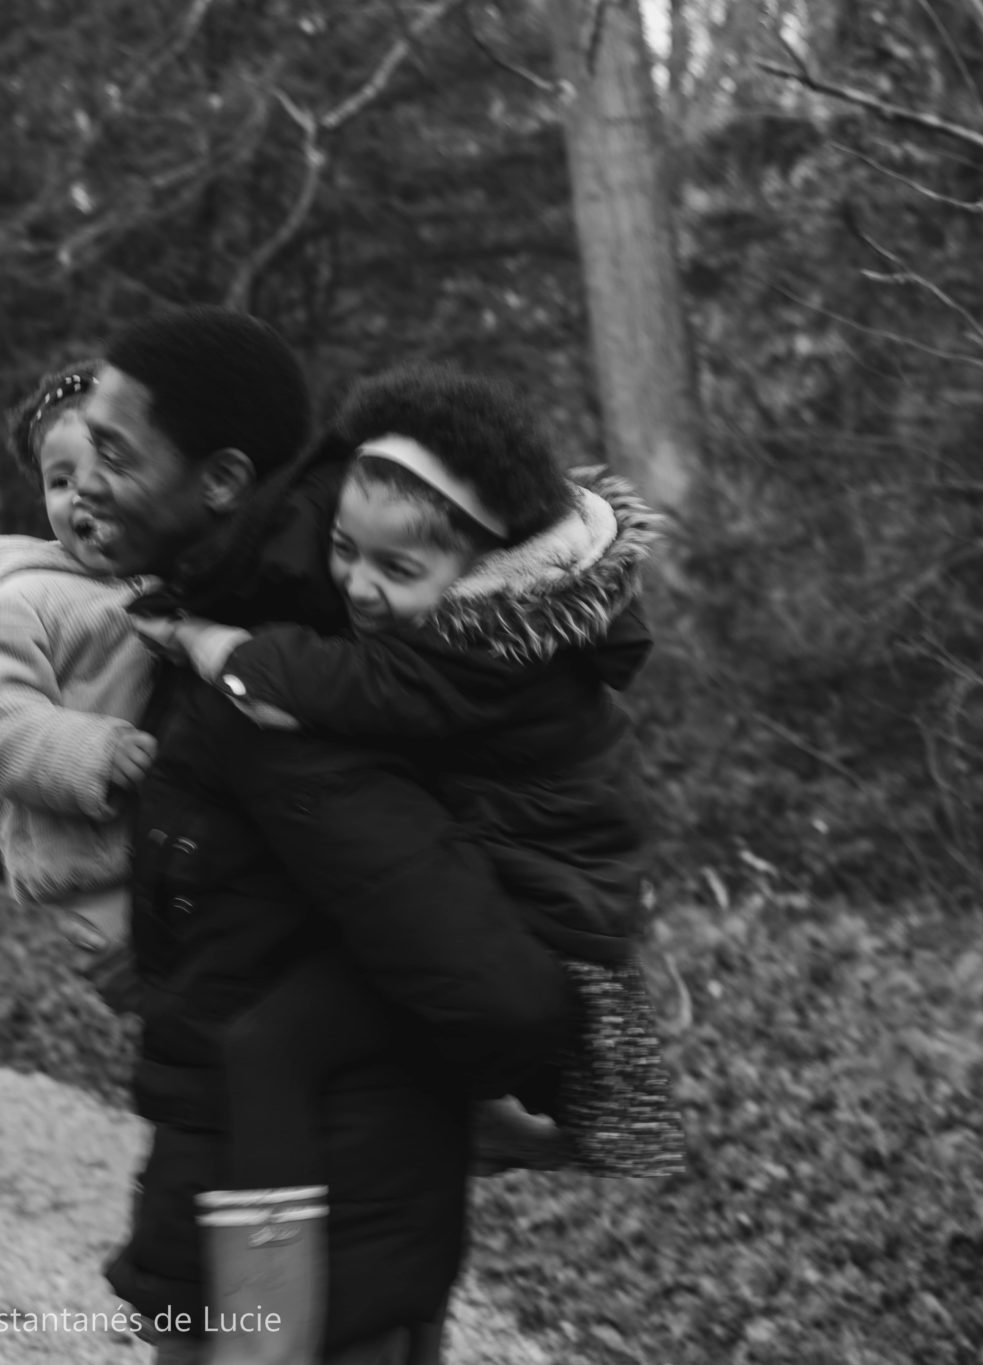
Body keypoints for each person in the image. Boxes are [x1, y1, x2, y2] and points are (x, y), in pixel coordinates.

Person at [73, 308, 624, 1364]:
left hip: (316, 1243)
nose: (82, 479)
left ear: (224, 481)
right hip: (284, 1199)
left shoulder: (287, 681)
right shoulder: (260, 616)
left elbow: (492, 986)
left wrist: (501, 1080)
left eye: (114, 452)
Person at [131, 365, 681, 1252]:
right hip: (547, 894)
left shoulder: (478, 649)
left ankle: (260, 1315)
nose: (356, 585)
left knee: (268, 1046)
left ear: (483, 566)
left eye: (399, 568)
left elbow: (306, 689)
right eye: (344, 548)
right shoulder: (510, 615)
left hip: (543, 922)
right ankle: (489, 1115)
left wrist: (201, 638)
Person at [0, 361, 158, 1006]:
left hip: (174, 850)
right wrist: (90, 751)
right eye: (59, 480)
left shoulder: (168, 579)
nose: (82, 495)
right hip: (95, 871)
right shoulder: (28, 597)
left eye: (107, 469)